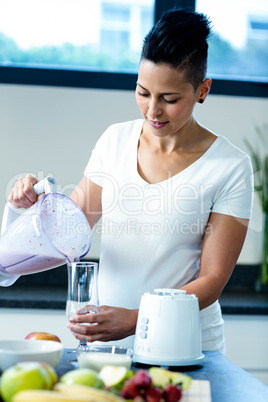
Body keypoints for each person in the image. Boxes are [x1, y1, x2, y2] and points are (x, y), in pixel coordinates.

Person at [9, 8, 253, 354]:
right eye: (143, 92)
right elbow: (68, 230)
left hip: (185, 347)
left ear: (203, 90)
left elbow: (212, 281)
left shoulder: (230, 167)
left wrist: (139, 318)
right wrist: (30, 207)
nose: (152, 110)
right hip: (105, 344)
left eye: (169, 99)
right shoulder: (115, 141)